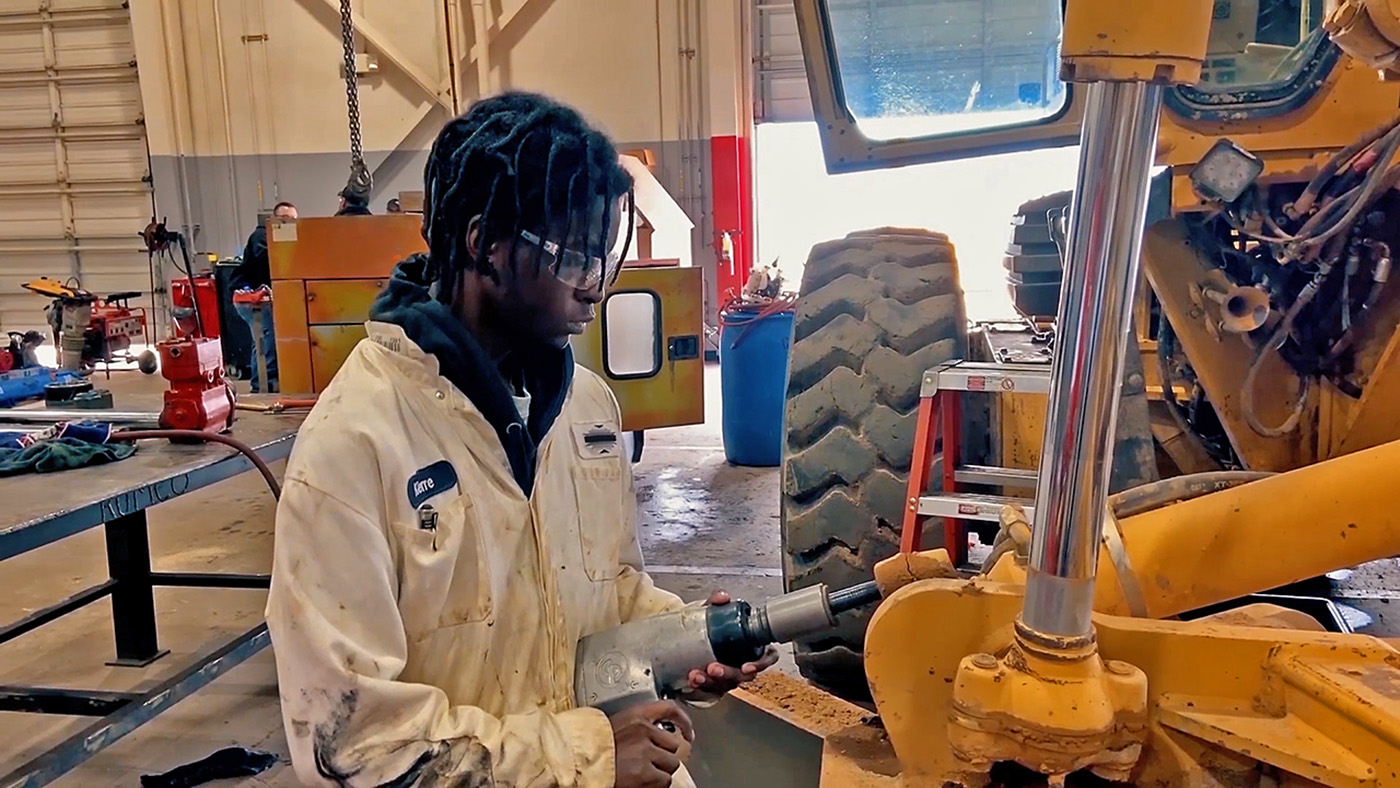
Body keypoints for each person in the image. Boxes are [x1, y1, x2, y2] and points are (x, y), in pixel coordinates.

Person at [266, 91, 777, 788]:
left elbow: (610, 594)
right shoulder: (355, 444)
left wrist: (687, 636)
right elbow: (357, 744)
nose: (595, 287)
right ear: (484, 245)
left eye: (606, 256)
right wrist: (587, 758)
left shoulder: (588, 410)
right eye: (574, 256)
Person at [232, 200, 296, 393]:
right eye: (285, 219)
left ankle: (268, 382)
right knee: (265, 338)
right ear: (274, 219)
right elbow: (267, 262)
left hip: (260, 297)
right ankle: (261, 386)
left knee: (265, 338)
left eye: (293, 220)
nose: (289, 224)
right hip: (251, 298)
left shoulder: (277, 238)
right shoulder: (262, 235)